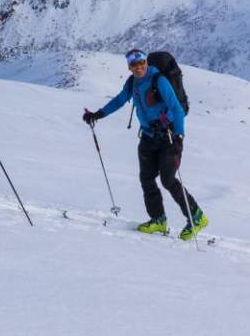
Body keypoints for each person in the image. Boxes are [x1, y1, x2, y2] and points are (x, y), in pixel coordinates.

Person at [82, 50, 207, 239]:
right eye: (134, 65)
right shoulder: (132, 82)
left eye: (141, 62)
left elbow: (176, 108)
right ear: (129, 67)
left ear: (146, 62)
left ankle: (197, 217)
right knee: (146, 178)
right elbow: (120, 100)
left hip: (168, 137)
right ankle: (158, 220)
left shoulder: (159, 80)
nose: (138, 67)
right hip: (148, 136)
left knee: (168, 180)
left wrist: (179, 137)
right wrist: (98, 114)